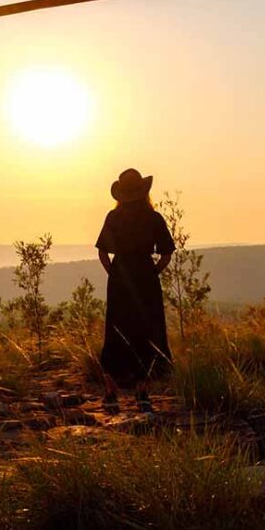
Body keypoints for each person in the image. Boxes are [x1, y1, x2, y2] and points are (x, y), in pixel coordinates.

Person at [95, 168, 175, 413]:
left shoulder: (113, 217)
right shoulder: (153, 218)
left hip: (120, 278)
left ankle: (111, 391)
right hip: (145, 278)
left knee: (116, 330)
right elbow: (166, 253)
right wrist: (152, 274)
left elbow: (102, 252)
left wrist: (115, 274)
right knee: (146, 331)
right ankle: (142, 390)